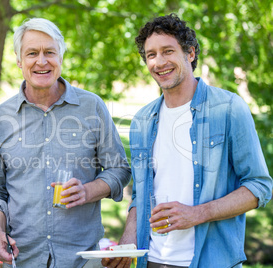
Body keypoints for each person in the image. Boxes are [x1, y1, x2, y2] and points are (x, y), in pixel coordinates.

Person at [102, 13, 272, 268]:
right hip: (153, 260)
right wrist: (128, 244)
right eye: (151, 55)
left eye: (168, 51)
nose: (159, 62)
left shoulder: (228, 108)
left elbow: (259, 186)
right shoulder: (142, 120)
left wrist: (197, 213)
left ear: (190, 53)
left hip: (211, 261)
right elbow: (141, 194)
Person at [0, 18, 131, 268]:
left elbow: (120, 170)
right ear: (19, 61)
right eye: (32, 53)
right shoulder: (0, 118)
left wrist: (87, 191)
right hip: (22, 259)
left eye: (49, 52)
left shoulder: (91, 106)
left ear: (61, 57)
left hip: (82, 259)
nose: (42, 61)